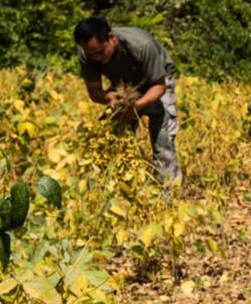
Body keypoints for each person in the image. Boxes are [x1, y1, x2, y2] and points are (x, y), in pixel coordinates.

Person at [74, 16, 183, 183]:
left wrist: (134, 108)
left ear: (111, 38)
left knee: (162, 137)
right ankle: (115, 187)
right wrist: (111, 97)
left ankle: (168, 193)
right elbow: (94, 92)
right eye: (91, 54)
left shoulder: (140, 45)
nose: (96, 57)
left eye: (100, 51)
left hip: (156, 79)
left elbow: (159, 86)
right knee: (111, 136)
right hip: (123, 85)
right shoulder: (87, 53)